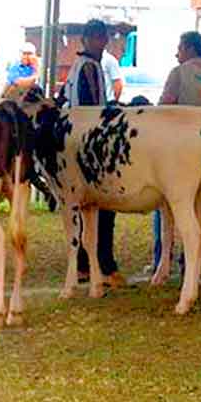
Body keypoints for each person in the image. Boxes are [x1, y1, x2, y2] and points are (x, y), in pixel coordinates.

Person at [153, 31, 201, 269]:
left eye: (180, 47)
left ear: (190, 49)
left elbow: (163, 108)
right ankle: (192, 259)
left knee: (165, 204)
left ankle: (162, 258)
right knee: (199, 205)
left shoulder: (179, 74)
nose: (177, 53)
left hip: (178, 149)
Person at [65, 19, 123, 286]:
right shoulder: (90, 67)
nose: (101, 43)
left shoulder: (79, 66)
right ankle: (103, 264)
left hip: (77, 138)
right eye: (97, 38)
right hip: (92, 142)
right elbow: (95, 107)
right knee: (103, 206)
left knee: (84, 206)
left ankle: (85, 264)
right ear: (87, 40)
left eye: (103, 38)